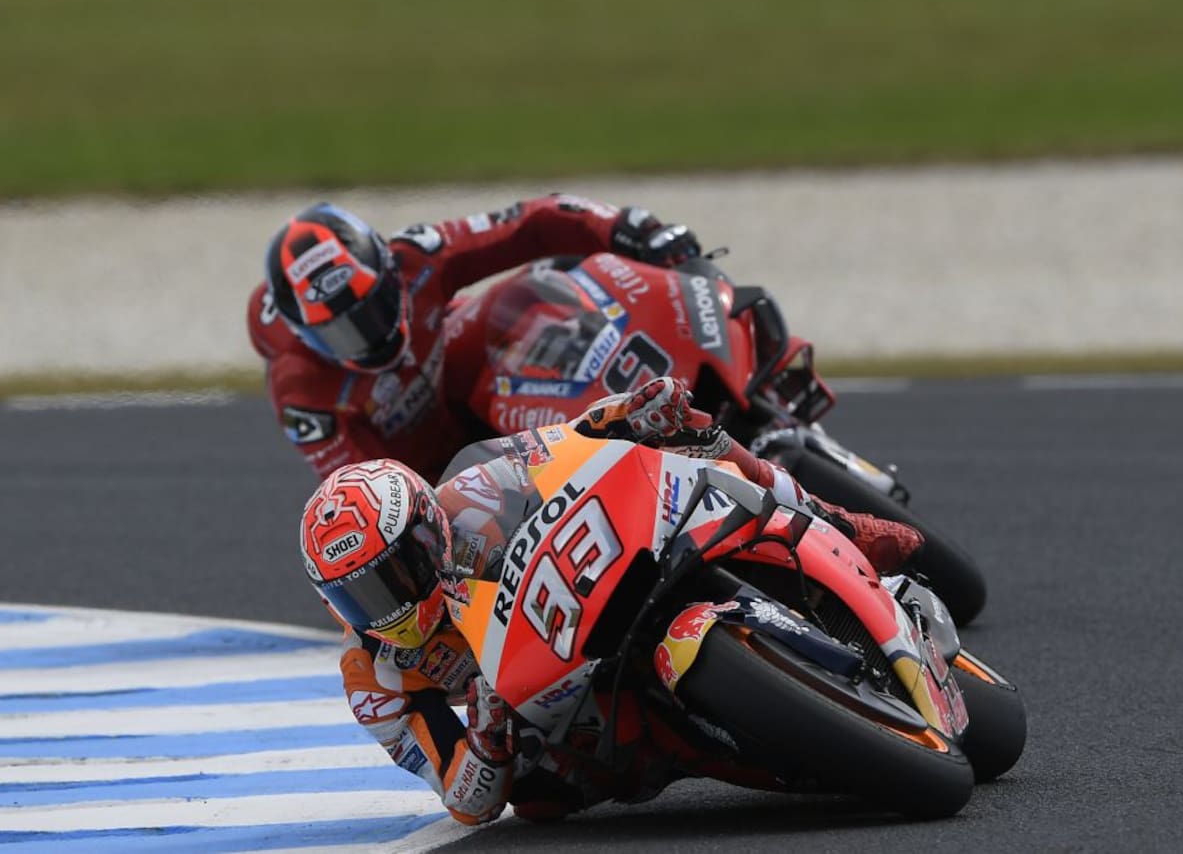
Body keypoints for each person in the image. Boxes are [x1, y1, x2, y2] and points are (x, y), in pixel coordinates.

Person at [298, 377, 925, 825]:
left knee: (689, 440)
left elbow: (566, 441)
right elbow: (463, 799)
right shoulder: (371, 678)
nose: (384, 606)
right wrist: (487, 744)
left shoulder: (473, 495)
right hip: (549, 699)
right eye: (357, 595)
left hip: (596, 574)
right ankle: (766, 752)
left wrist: (627, 413)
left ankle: (836, 522)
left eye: (392, 576)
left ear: (427, 533)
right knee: (540, 797)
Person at [248, 196, 701, 481]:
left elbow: (528, 223)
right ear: (304, 335)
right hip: (437, 487)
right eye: (341, 331)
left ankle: (659, 396)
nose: (368, 336)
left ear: (388, 270)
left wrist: (629, 228)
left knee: (530, 293)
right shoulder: (304, 396)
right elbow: (369, 485)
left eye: (374, 306)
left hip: (468, 383)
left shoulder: (417, 258)